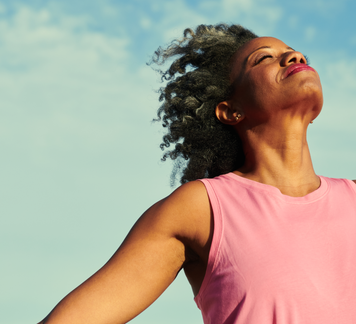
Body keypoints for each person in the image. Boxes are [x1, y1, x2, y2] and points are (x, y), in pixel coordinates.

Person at [38, 24, 356, 324]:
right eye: (264, 58)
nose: (294, 57)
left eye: (295, 52)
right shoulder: (200, 209)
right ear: (231, 110)